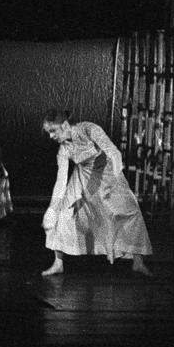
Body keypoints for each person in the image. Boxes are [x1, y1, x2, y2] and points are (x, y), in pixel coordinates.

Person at [40, 109, 153, 276]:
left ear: (64, 125)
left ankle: (138, 261)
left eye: (53, 131)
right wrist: (52, 208)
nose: (51, 136)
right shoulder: (64, 149)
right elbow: (60, 181)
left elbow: (113, 152)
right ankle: (58, 263)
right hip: (83, 178)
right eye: (48, 132)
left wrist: (116, 178)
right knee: (63, 213)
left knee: (129, 211)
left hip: (108, 174)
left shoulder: (89, 129)